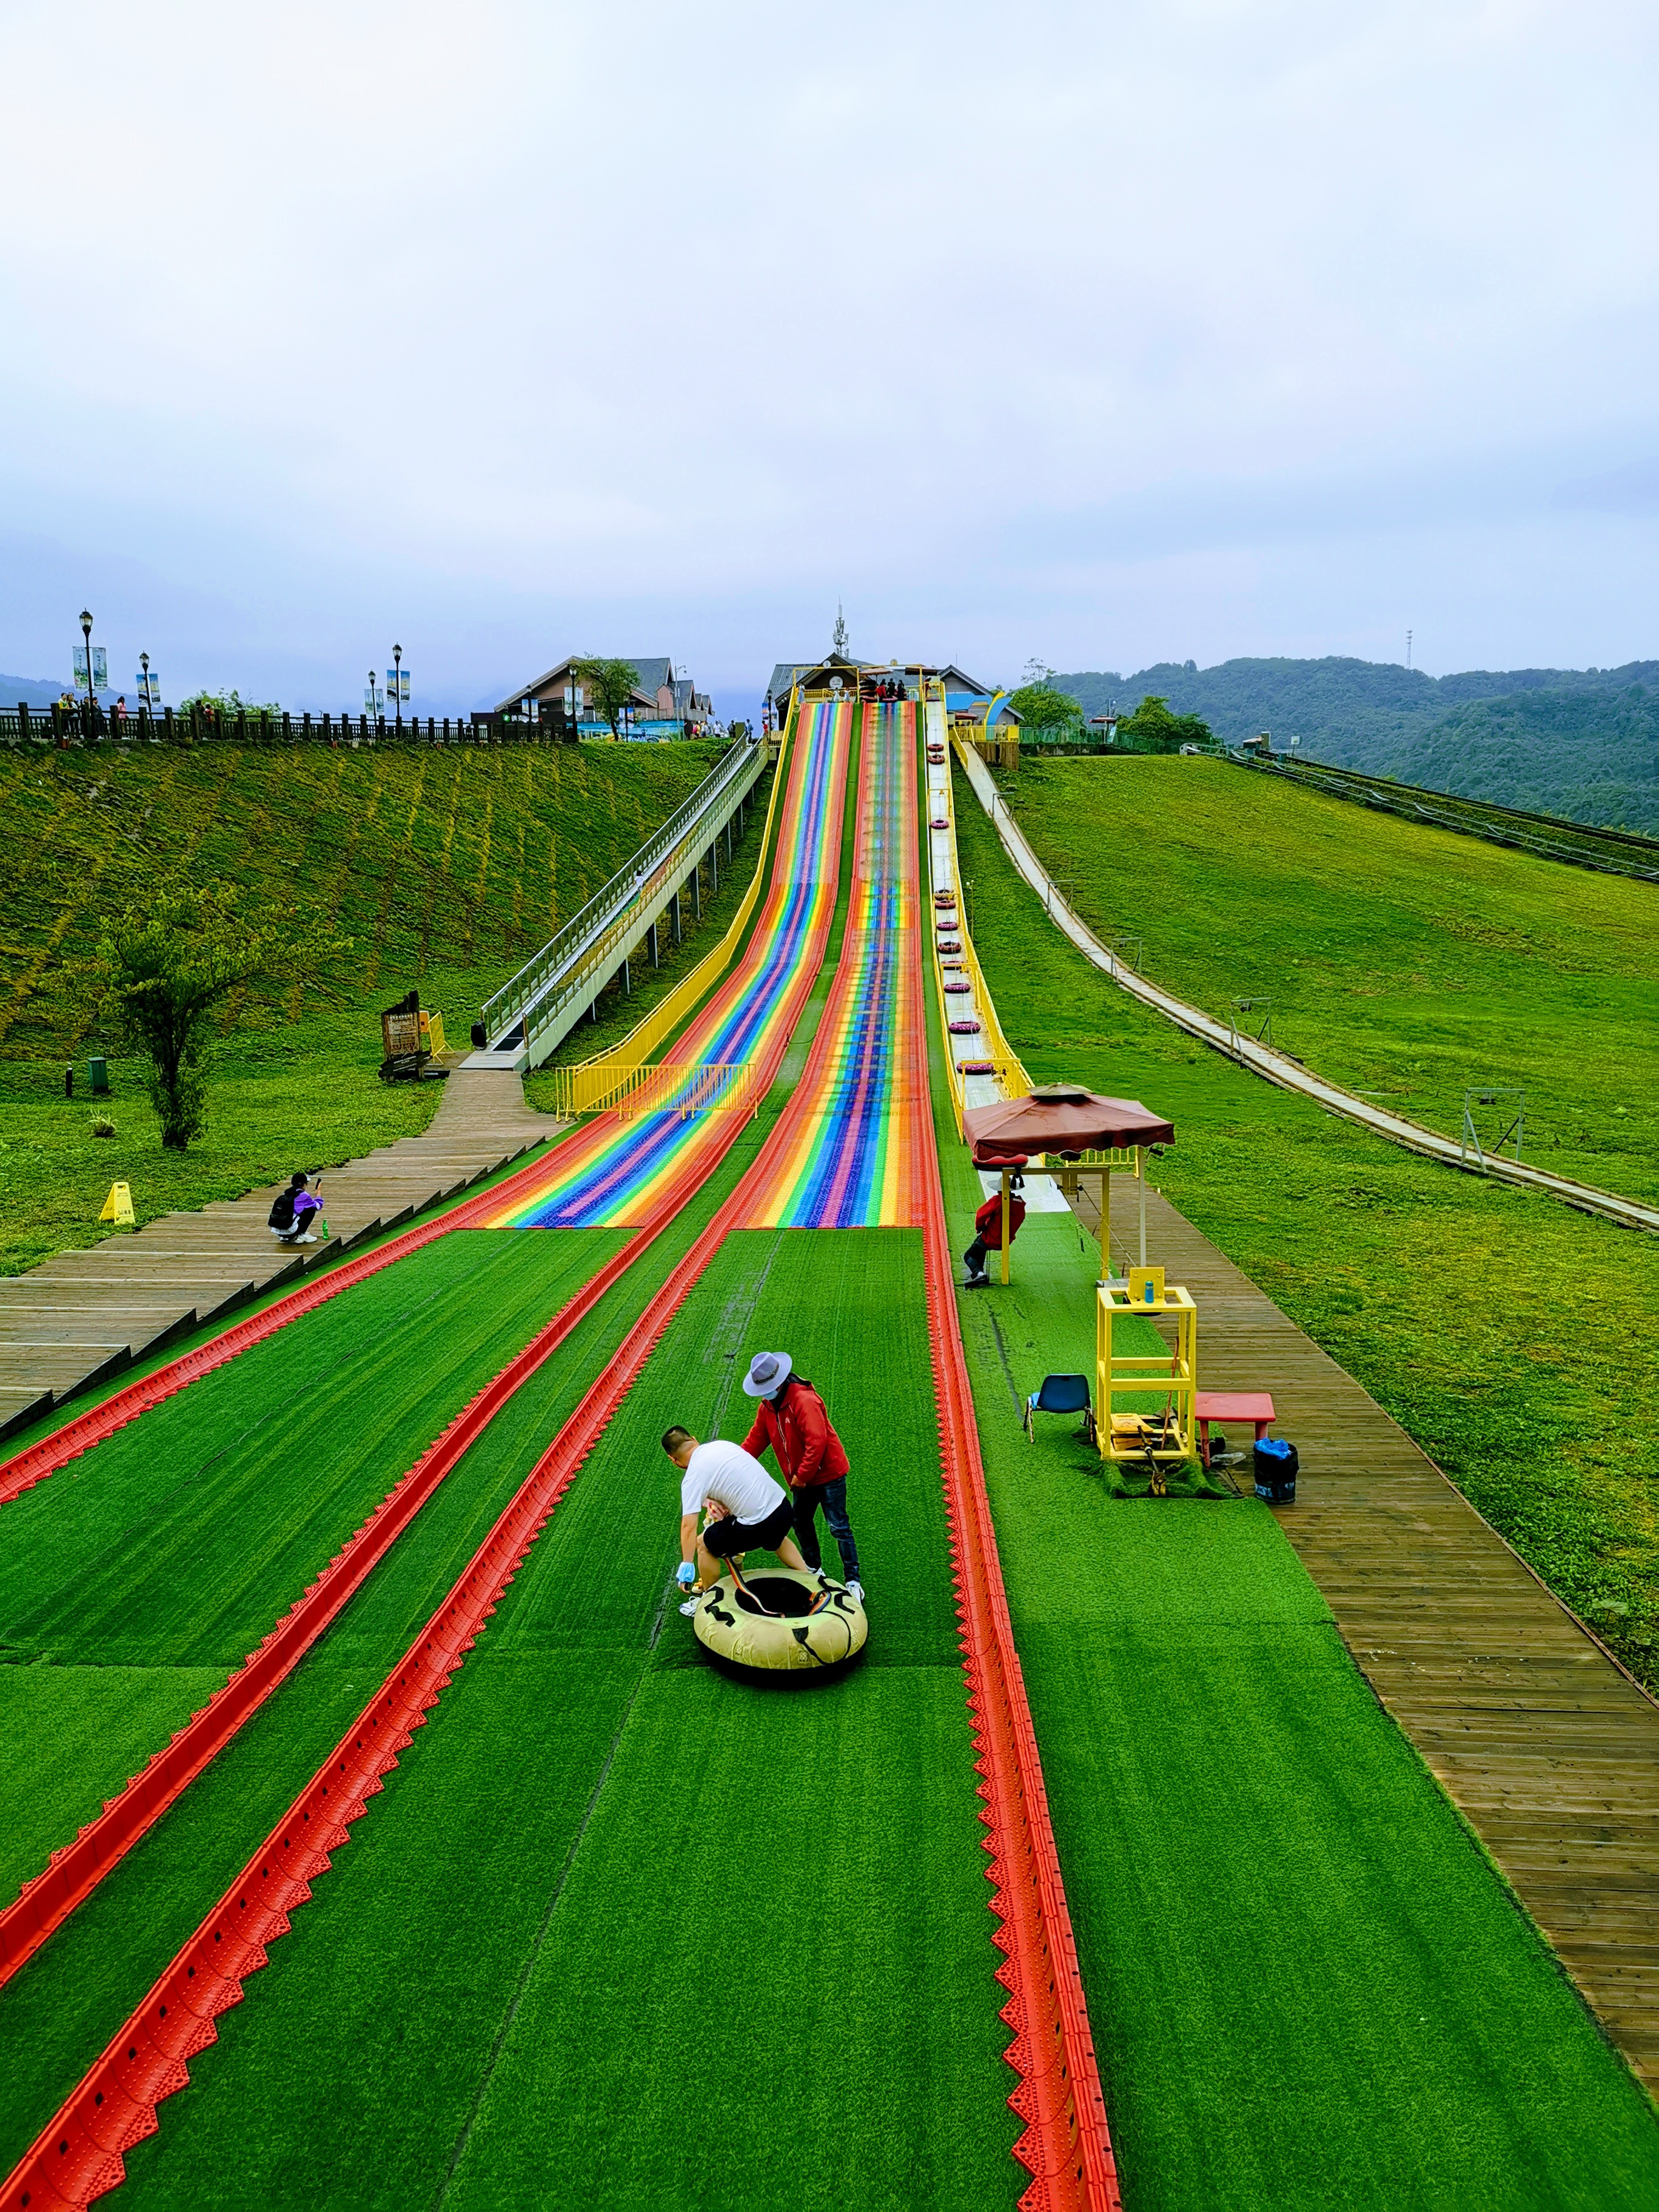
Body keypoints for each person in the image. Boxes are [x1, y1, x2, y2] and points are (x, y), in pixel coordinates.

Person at [663, 1424, 828, 1618]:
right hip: (782, 1510)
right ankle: (812, 1578)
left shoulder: (693, 1477)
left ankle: (707, 1602)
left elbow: (688, 1527)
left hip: (758, 1525)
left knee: (703, 1544)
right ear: (694, 1439)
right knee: (775, 1538)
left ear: (673, 1460)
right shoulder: (723, 1445)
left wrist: (687, 1564)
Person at [739, 1351, 863, 1599]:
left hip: (828, 1475)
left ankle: (853, 1580)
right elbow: (756, 1440)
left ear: (780, 1382)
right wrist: (735, 1463)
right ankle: (814, 1568)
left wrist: (802, 1477)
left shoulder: (804, 1401)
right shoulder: (767, 1408)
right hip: (802, 1479)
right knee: (801, 1522)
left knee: (838, 1526)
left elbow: (817, 1442)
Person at [964, 1172, 1026, 1287]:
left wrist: (980, 1227)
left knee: (970, 1255)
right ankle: (979, 1273)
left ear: (999, 1190)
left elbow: (980, 1215)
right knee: (980, 1250)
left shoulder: (998, 1200)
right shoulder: (1019, 1205)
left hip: (992, 1237)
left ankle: (979, 1273)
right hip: (1006, 1240)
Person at [268, 1171, 323, 1245]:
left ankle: (286, 1237)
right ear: (302, 1185)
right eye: (306, 1183)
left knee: (298, 1211)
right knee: (311, 1209)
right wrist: (318, 1193)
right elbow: (318, 1206)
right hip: (290, 1231)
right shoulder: (304, 1195)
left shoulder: (286, 1193)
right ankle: (301, 1234)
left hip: (278, 1231)